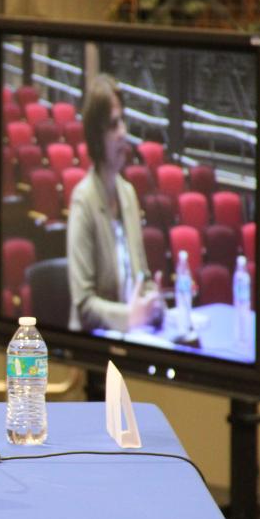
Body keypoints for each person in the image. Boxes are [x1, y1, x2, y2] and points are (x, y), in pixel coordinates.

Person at [66, 74, 162, 333]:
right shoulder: (83, 201)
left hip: (135, 337)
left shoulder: (128, 194)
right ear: (96, 137)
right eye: (113, 125)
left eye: (123, 121)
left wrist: (155, 302)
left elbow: (143, 278)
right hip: (97, 345)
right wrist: (129, 317)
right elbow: (84, 304)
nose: (123, 133)